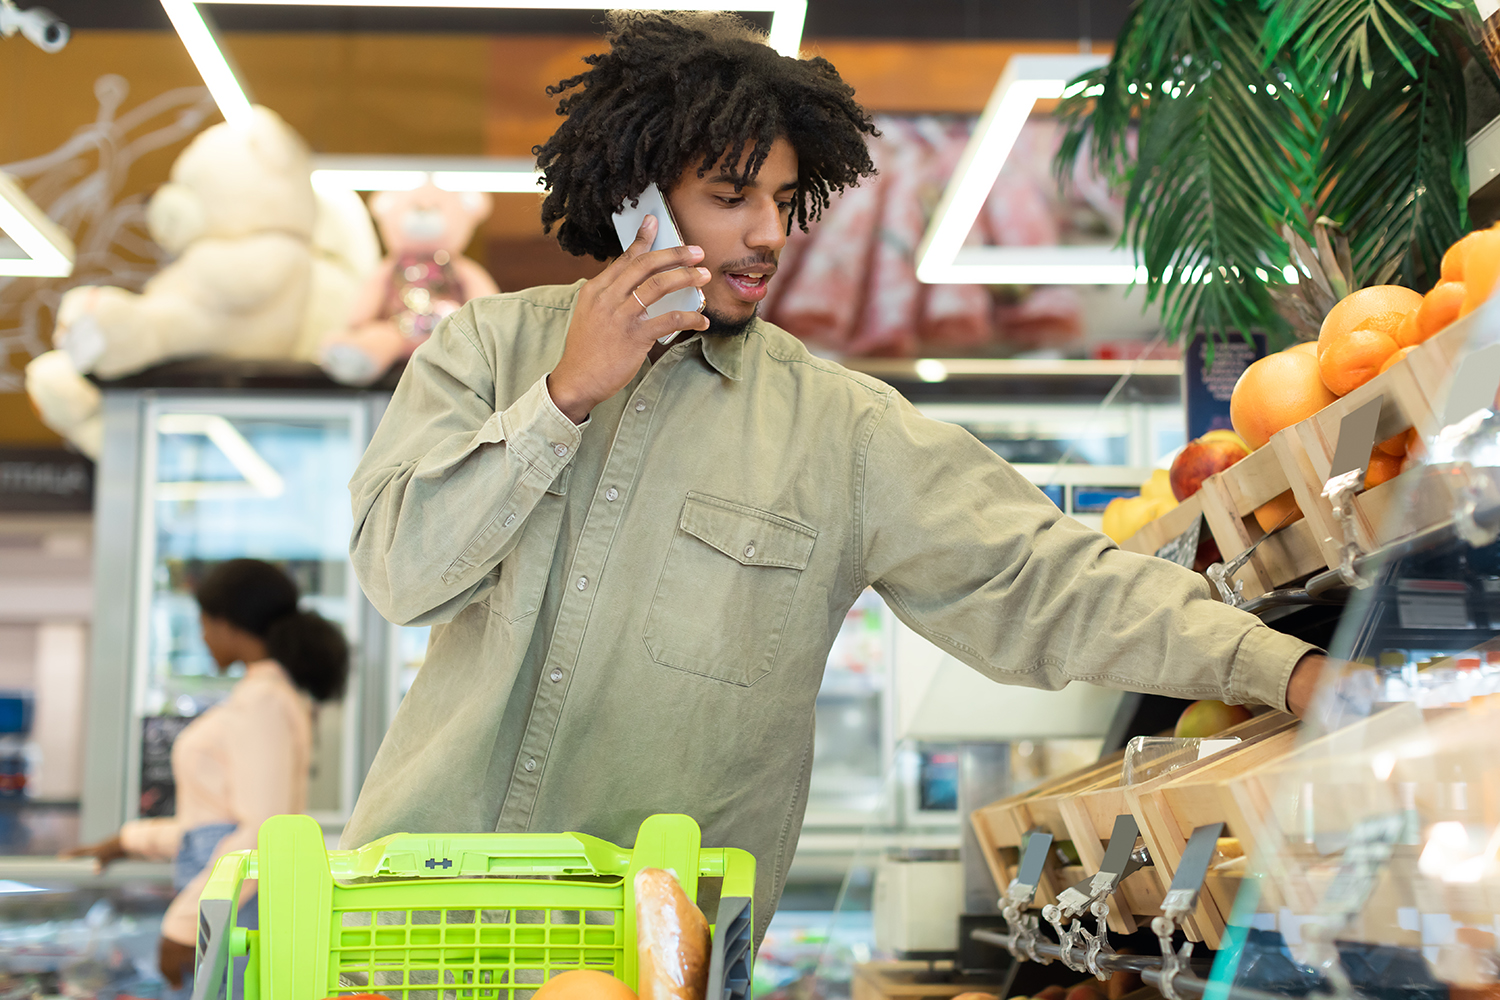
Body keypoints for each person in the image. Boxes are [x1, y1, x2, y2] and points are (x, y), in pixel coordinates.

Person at [341, 12, 1327, 945]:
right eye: (733, 199)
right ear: (636, 195)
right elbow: (401, 572)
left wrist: (1279, 666)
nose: (770, 233)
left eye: (782, 199)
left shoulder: (839, 432)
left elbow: (1040, 579)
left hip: (653, 954)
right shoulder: (486, 349)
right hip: (410, 924)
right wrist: (562, 400)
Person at [65, 559, 348, 992]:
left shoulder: (263, 703)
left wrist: (184, 922)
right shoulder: (265, 696)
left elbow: (258, 833)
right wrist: (129, 841)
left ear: (229, 623)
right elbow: (215, 824)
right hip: (228, 894)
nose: (201, 635)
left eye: (204, 621)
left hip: (231, 902)